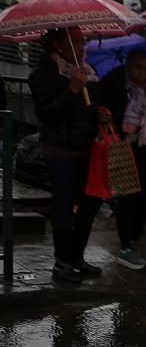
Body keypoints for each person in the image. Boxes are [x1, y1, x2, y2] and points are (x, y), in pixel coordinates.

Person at [29, 27, 105, 283]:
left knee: (84, 205)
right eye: (77, 41)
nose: (83, 46)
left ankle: (76, 257)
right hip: (60, 149)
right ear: (59, 46)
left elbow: (88, 109)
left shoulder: (86, 72)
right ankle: (62, 262)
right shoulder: (44, 73)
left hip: (85, 147)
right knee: (63, 206)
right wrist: (71, 88)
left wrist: (101, 115)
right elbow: (46, 113)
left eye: (84, 41)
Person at [100, 48, 146, 269]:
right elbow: (105, 110)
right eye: (137, 67)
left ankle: (133, 241)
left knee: (143, 197)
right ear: (128, 65)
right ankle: (125, 245)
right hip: (123, 146)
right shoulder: (114, 83)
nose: (142, 73)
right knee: (127, 197)